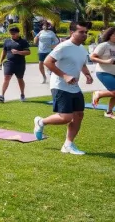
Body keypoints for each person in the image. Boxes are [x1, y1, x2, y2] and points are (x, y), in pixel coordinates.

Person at [34, 21, 94, 155]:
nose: (85, 34)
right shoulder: (63, 46)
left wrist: (87, 75)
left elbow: (82, 64)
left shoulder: (81, 48)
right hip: (60, 85)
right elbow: (47, 62)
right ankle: (41, 122)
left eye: (86, 32)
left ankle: (68, 145)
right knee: (66, 117)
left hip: (74, 86)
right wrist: (65, 75)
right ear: (72, 32)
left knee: (78, 115)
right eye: (81, 32)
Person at [90, 27, 115, 119]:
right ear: (109, 35)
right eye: (114, 34)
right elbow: (92, 57)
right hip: (103, 72)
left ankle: (109, 112)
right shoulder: (103, 45)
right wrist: (106, 61)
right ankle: (97, 94)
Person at [0, 26, 31, 103]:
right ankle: (2, 96)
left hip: (20, 63)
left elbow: (28, 52)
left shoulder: (23, 42)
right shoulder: (7, 41)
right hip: (9, 62)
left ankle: (22, 94)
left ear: (18, 33)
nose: (12, 35)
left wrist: (18, 52)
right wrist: (0, 61)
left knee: (20, 79)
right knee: (6, 78)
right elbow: (4, 51)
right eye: (11, 34)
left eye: (14, 34)